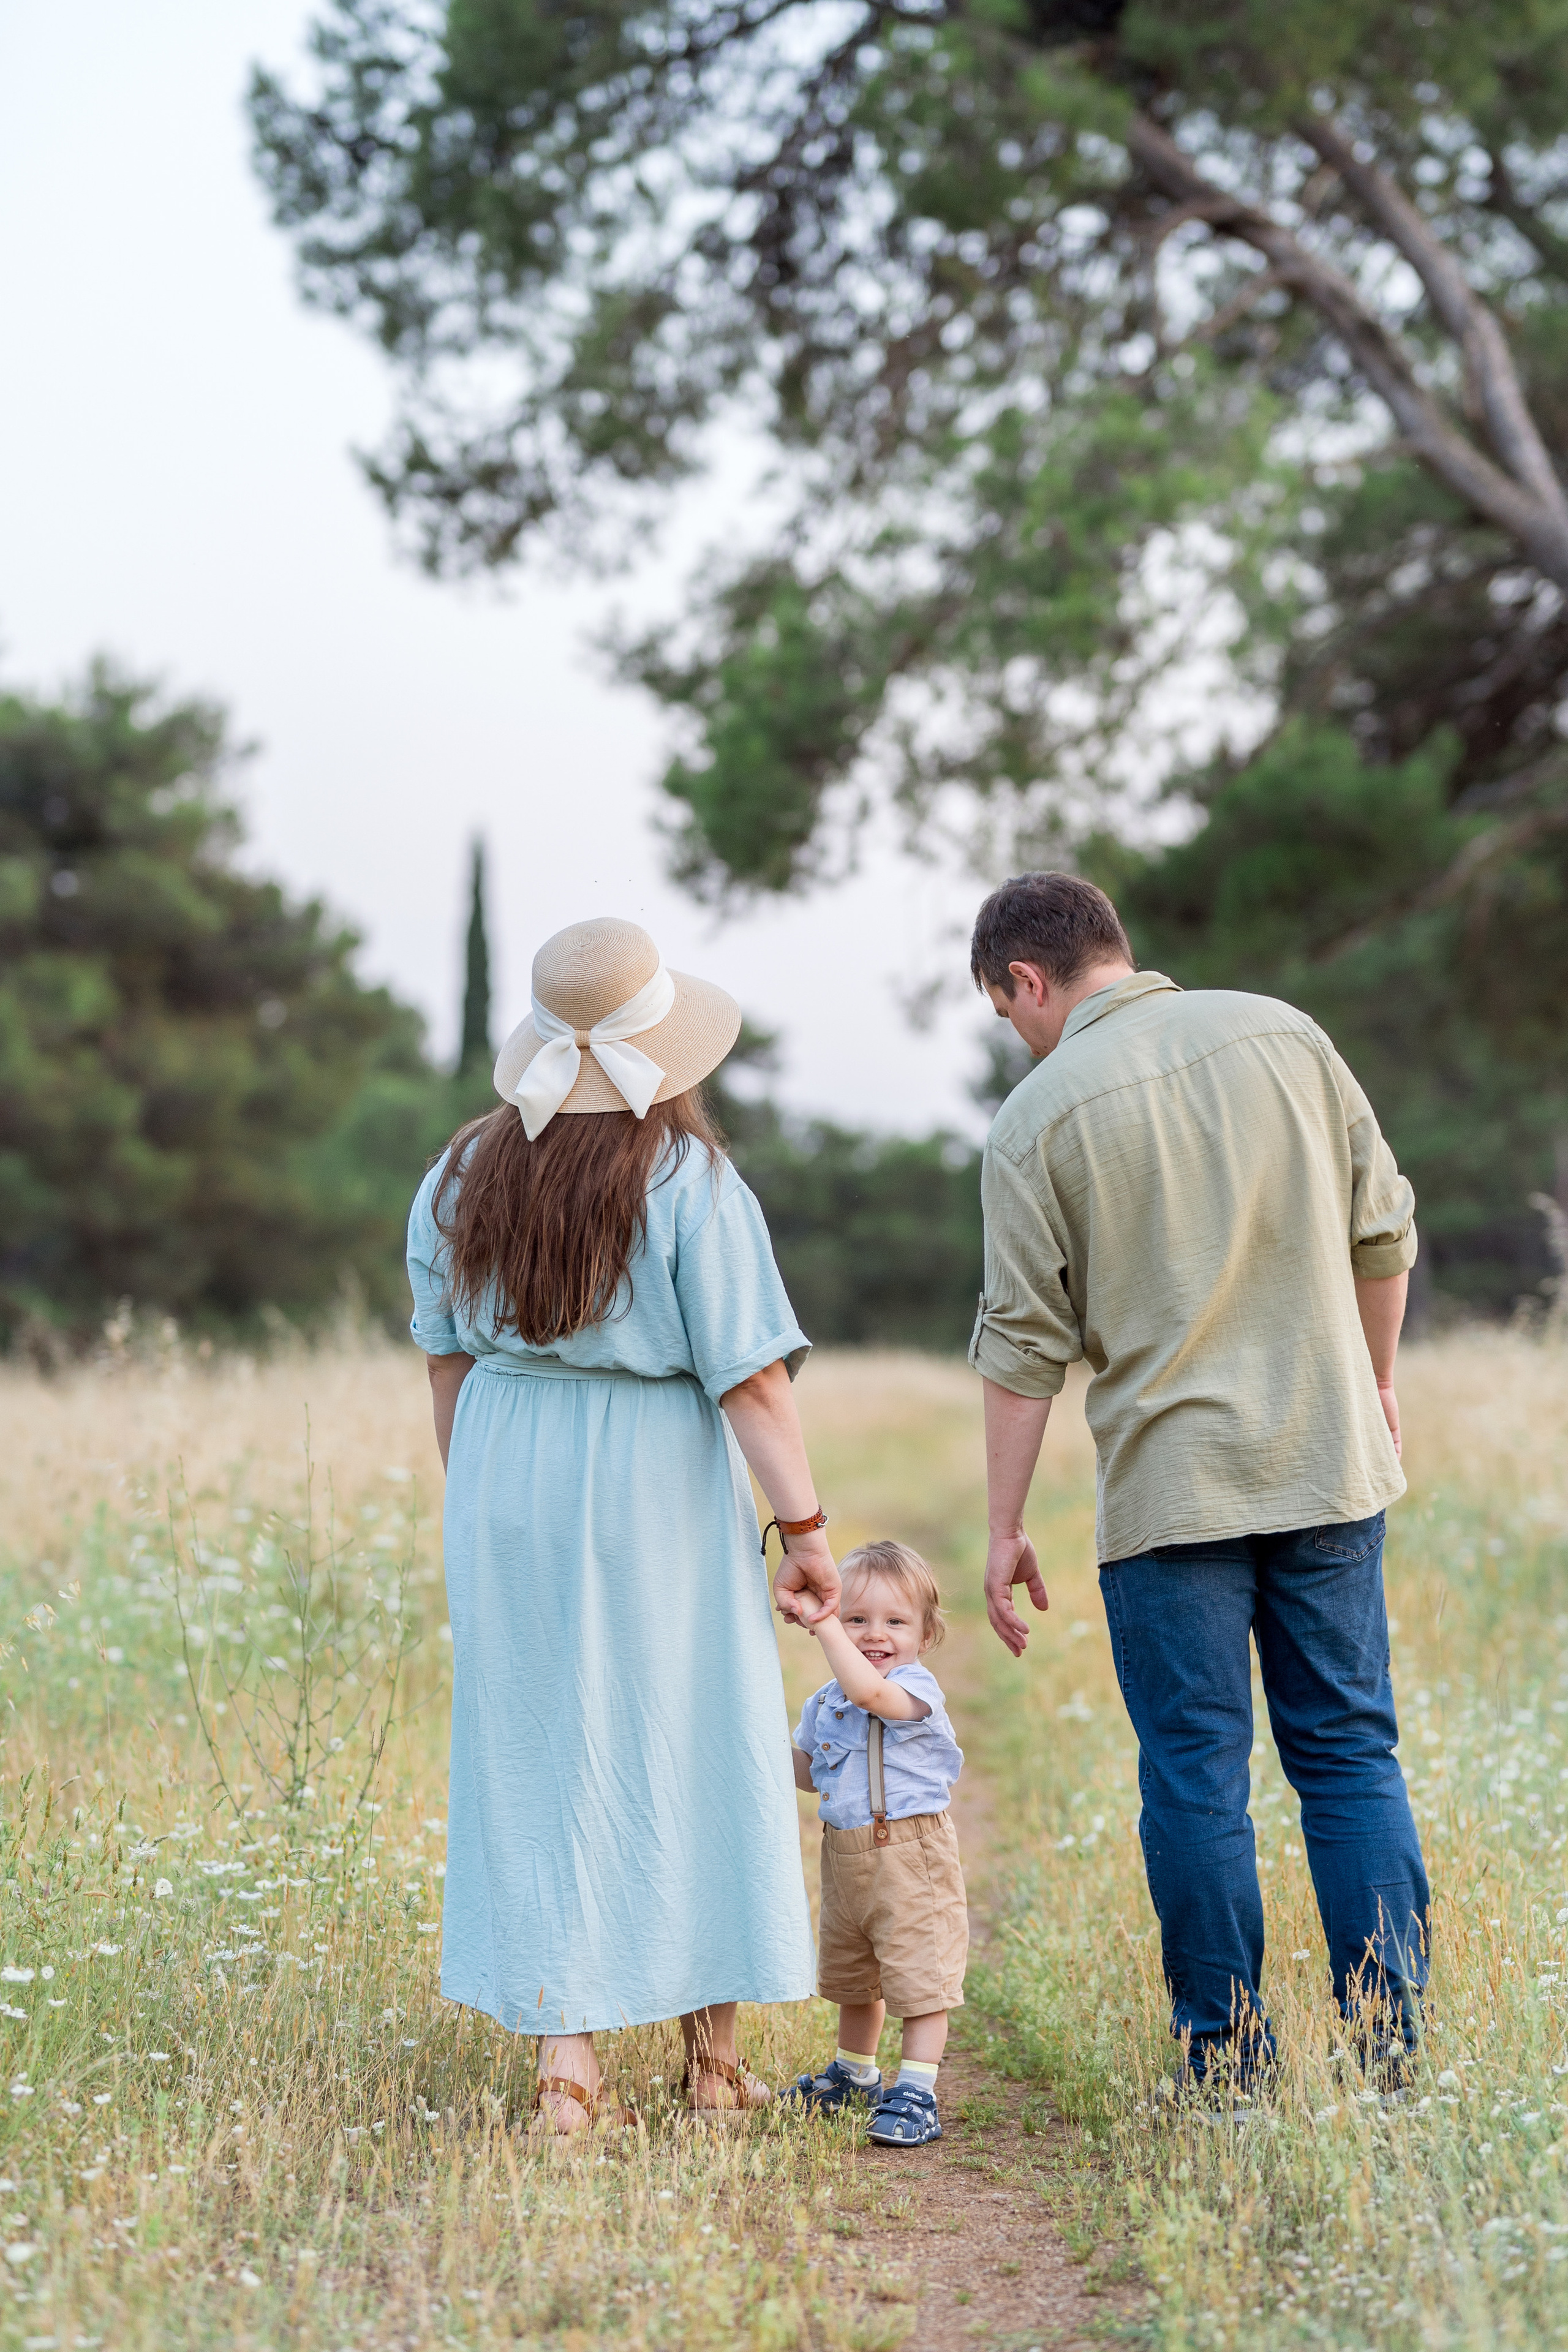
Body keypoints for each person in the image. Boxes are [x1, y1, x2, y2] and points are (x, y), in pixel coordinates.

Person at [967, 872, 1428, 2095]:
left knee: (1192, 1775)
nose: (1015, 1034)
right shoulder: (1286, 1033)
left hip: (1170, 1499)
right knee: (1345, 1753)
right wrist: (1372, 1382)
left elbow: (1021, 1349)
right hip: (1325, 1461)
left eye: (1005, 1010)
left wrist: (1005, 1526)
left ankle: (1226, 2063)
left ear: (1025, 979)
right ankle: (1387, 2050)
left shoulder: (1032, 1120)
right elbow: (1380, 1231)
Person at [407, 915, 839, 2136]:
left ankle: (565, 2073)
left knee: (537, 1754)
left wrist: (481, 1504)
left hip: (503, 1469)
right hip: (648, 1470)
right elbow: (751, 1381)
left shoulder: (456, 1174)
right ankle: (710, 2067)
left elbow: (444, 1365)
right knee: (690, 1735)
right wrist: (802, 1527)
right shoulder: (685, 1178)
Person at [785, 1540, 968, 2147]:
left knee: (918, 1974)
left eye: (895, 1622)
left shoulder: (915, 1688)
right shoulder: (824, 1703)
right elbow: (806, 1773)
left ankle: (917, 2090)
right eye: (856, 1619)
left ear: (925, 1632)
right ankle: (854, 2075)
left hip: (910, 1854)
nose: (874, 1634)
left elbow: (871, 1694)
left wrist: (825, 1626)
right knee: (853, 1974)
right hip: (845, 1856)